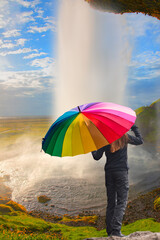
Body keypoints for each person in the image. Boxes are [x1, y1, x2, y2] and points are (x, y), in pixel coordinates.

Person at [92, 124, 143, 237]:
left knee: (111, 203)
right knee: (121, 201)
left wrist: (92, 146)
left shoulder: (104, 139)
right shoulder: (124, 136)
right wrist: (134, 128)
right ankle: (116, 231)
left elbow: (96, 156)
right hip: (121, 173)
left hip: (109, 173)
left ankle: (110, 231)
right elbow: (140, 141)